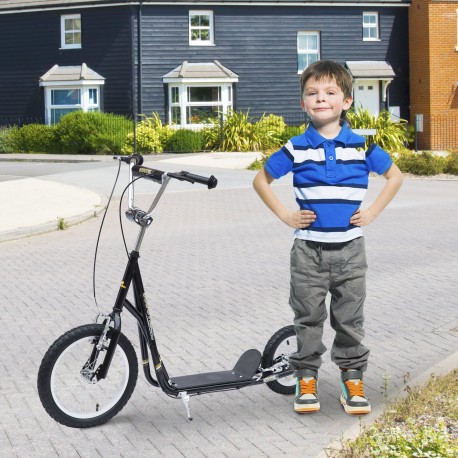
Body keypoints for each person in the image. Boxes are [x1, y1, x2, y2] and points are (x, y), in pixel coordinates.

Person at [253, 60, 403, 415]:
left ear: (347, 101)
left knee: (350, 319)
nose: (321, 98)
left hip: (351, 250)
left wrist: (372, 213)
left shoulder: (362, 147)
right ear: (303, 103)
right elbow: (261, 180)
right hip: (308, 251)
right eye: (312, 93)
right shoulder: (296, 147)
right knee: (308, 319)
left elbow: (395, 177)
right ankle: (306, 379)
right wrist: (286, 215)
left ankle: (352, 380)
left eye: (330, 92)